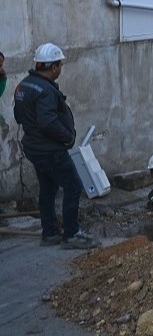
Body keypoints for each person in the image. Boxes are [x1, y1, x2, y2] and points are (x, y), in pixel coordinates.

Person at [13, 43, 98, 249]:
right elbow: (48, 122)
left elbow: (18, 115)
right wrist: (67, 137)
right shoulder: (45, 90)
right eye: (60, 64)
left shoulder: (24, 85)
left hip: (34, 148)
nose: (60, 68)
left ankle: (49, 232)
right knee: (73, 186)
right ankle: (71, 234)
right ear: (53, 68)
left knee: (48, 188)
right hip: (50, 151)